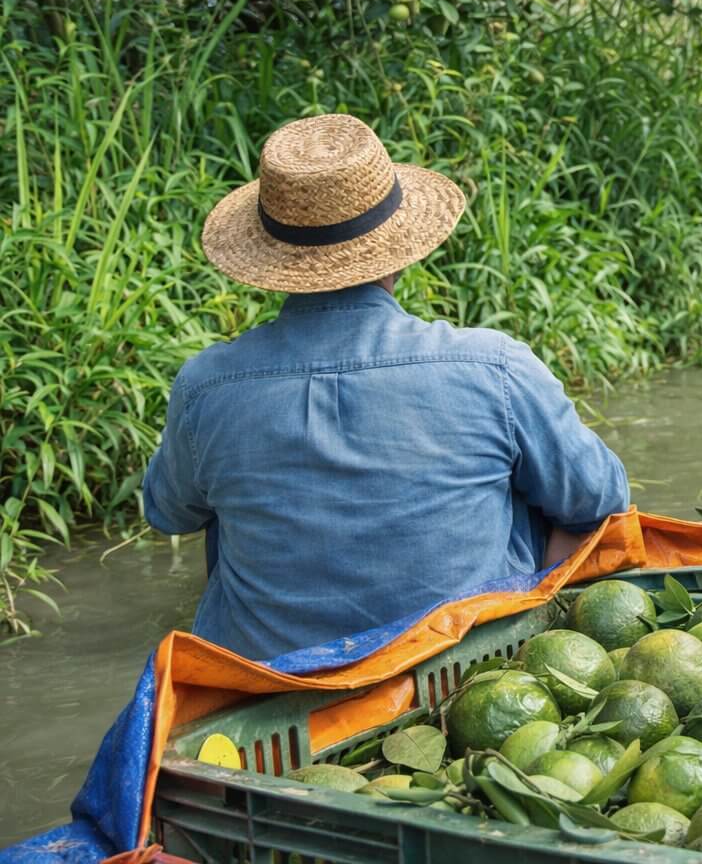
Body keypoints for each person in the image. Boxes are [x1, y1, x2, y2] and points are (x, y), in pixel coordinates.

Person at [143, 114, 630, 659]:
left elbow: (169, 513)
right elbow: (603, 495)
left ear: (271, 255)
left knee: (220, 503)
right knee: (548, 486)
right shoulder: (494, 366)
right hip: (456, 663)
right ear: (401, 246)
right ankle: (512, 640)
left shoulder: (205, 385)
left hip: (272, 677)